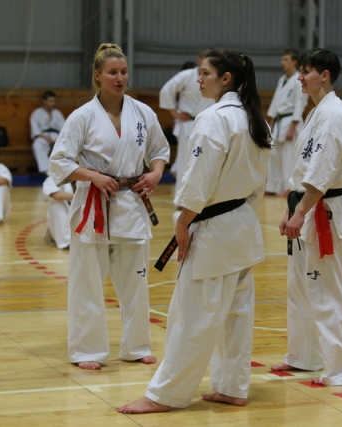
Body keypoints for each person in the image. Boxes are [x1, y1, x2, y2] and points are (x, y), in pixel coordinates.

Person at [118, 49, 271, 414]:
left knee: (191, 316)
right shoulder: (256, 119)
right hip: (242, 224)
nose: (198, 79)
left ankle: (165, 395)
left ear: (225, 79)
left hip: (214, 230)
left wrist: (183, 222)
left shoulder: (213, 119)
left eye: (205, 73)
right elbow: (259, 183)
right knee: (236, 315)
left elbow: (199, 178)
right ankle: (232, 387)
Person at [49, 43, 169, 370]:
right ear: (98, 76)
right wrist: (93, 176)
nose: (120, 78)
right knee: (88, 282)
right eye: (113, 72)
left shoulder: (142, 113)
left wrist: (156, 173)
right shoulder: (82, 116)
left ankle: (136, 346)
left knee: (135, 282)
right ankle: (87, 350)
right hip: (94, 205)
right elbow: (59, 162)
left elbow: (159, 150)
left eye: (124, 72)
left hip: (131, 204)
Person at [270, 48, 342, 386]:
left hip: (326, 211)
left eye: (306, 71)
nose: (300, 77)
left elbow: (322, 172)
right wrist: (292, 209)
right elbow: (303, 172)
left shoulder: (334, 114)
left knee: (330, 292)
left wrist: (301, 211)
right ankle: (303, 356)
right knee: (301, 289)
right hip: (308, 206)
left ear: (324, 75)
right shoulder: (317, 112)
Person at [159, 50, 214, 196]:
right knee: (185, 160)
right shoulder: (187, 75)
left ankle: (203, 196)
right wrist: (174, 113)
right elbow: (166, 91)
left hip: (209, 123)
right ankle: (182, 196)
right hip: (188, 123)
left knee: (206, 160)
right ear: (199, 60)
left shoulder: (216, 77)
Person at [266, 49, 309, 196]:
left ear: (294, 62)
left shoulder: (299, 79)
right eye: (282, 59)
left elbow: (300, 103)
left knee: (289, 156)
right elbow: (275, 102)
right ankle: (274, 187)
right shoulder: (282, 79)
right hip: (279, 121)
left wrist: (292, 127)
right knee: (274, 155)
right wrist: (271, 122)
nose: (282, 62)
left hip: (290, 121)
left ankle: (288, 187)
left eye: (286, 59)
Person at [31, 90, 65, 174]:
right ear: (44, 101)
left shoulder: (57, 113)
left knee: (64, 144)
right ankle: (46, 169)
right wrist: (45, 137)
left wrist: (58, 138)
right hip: (42, 136)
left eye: (54, 101)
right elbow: (35, 130)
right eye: (50, 101)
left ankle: (62, 169)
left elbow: (64, 128)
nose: (53, 103)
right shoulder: (37, 113)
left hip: (56, 135)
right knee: (37, 145)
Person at [42, 174, 73, 249]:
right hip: (66, 215)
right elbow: (55, 194)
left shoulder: (90, 177)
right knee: (56, 203)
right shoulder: (55, 178)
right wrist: (78, 197)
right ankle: (66, 241)